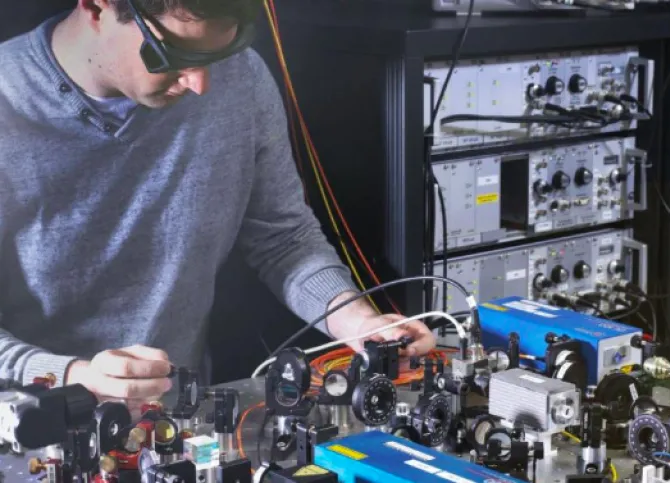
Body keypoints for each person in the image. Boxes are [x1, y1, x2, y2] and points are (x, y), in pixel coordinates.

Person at [0, 0, 435, 402]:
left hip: (179, 424)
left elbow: (284, 240)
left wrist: (356, 322)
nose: (200, 84)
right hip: (30, 427)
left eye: (215, 57)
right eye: (175, 56)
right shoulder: (7, 102)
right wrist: (71, 376)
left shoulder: (241, 78)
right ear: (97, 7)